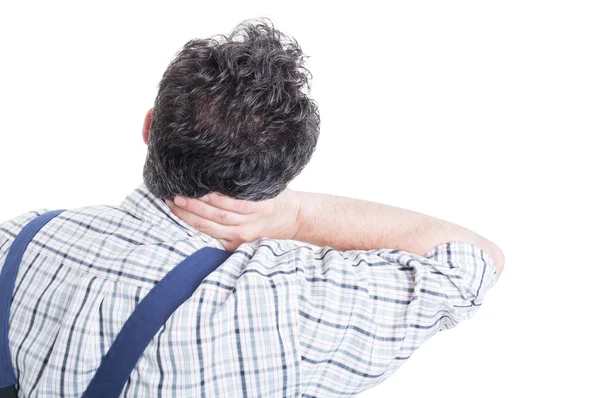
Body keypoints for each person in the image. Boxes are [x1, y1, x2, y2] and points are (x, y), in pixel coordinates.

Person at [0, 18, 503, 398]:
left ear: (150, 128)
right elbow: (474, 261)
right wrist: (299, 216)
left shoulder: (19, 239)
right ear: (282, 174)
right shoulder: (292, 303)